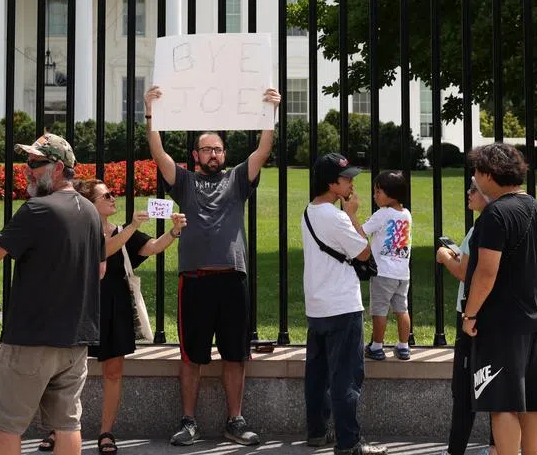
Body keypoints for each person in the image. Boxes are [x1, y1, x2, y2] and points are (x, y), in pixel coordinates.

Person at [143, 84, 280, 446]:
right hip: (195, 280)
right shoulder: (185, 182)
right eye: (208, 149)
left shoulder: (237, 179)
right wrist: (150, 113)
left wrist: (271, 114)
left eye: (218, 149)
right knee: (192, 357)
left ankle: (235, 420)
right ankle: (188, 421)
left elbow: (263, 150)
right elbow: (158, 154)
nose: (214, 154)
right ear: (196, 154)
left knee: (236, 355)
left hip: (233, 280)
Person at [0, 134, 104, 455]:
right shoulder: (90, 211)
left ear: (59, 167)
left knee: (8, 423)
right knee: (67, 424)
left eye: (35, 163)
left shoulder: (37, 209)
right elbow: (100, 270)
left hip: (31, 339)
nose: (27, 170)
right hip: (75, 339)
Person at [72, 177, 186, 455]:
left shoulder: (123, 231)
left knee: (113, 372)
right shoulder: (78, 232)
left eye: (113, 194)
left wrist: (174, 231)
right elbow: (102, 250)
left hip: (114, 307)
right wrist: (133, 226)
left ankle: (106, 432)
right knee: (69, 372)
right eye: (106, 195)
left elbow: (153, 247)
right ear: (90, 204)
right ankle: (60, 429)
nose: (113, 198)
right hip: (81, 308)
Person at [461, 143, 537, 455]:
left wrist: (470, 314)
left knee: (502, 403)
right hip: (534, 319)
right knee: (532, 402)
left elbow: (486, 272)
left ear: (487, 175)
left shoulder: (495, 215)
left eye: (476, 171)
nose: (474, 177)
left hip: (500, 323)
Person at [301, 153, 386, 455]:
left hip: (317, 304)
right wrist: (352, 214)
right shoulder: (336, 217)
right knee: (346, 376)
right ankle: (349, 443)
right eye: (346, 178)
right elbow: (363, 253)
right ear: (331, 183)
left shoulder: (309, 211)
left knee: (318, 374)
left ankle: (317, 431)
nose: (351, 182)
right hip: (342, 305)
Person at [436, 179, 496, 455]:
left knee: (464, 388)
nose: (468, 193)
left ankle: (456, 448)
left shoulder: (481, 228)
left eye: (473, 189)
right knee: (498, 384)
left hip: (472, 312)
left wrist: (445, 258)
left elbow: (466, 273)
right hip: (499, 313)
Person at [362, 170, 412, 360]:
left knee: (379, 311)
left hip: (383, 272)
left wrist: (353, 220)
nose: (375, 196)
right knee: (402, 309)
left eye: (378, 192)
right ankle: (404, 345)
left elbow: (363, 232)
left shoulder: (382, 214)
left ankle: (376, 346)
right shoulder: (406, 214)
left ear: (390, 194)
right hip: (402, 273)